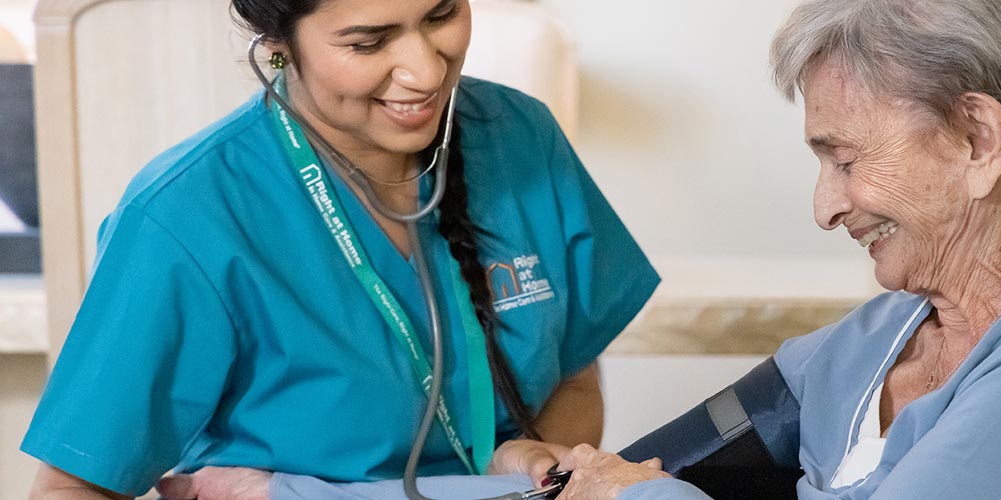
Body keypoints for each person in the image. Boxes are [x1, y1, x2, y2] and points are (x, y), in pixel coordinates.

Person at [21, 0, 659, 498]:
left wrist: (523, 464)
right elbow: (72, 487)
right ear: (277, 47)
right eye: (367, 41)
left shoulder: (520, 136)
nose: (427, 70)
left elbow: (574, 379)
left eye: (441, 15)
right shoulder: (185, 217)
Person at [551, 0, 1001, 498]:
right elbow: (660, 457)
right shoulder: (896, 323)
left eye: (846, 159)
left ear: (977, 140)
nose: (824, 209)